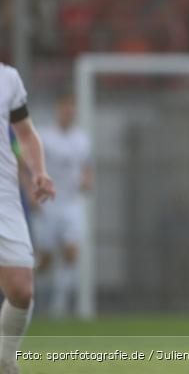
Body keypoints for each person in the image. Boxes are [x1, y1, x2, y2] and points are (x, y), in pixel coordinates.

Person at [0, 64, 56, 374]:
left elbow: (25, 133)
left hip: (4, 199)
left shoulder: (8, 79)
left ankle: (5, 360)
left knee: (21, 290)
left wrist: (40, 172)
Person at [31, 92, 91, 318]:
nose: (69, 112)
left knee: (71, 251)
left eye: (72, 107)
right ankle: (25, 296)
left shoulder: (82, 139)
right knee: (45, 260)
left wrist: (87, 180)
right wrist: (32, 191)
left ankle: (59, 305)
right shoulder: (45, 137)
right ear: (58, 109)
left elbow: (86, 167)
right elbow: (30, 165)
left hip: (71, 204)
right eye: (65, 107)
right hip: (48, 204)